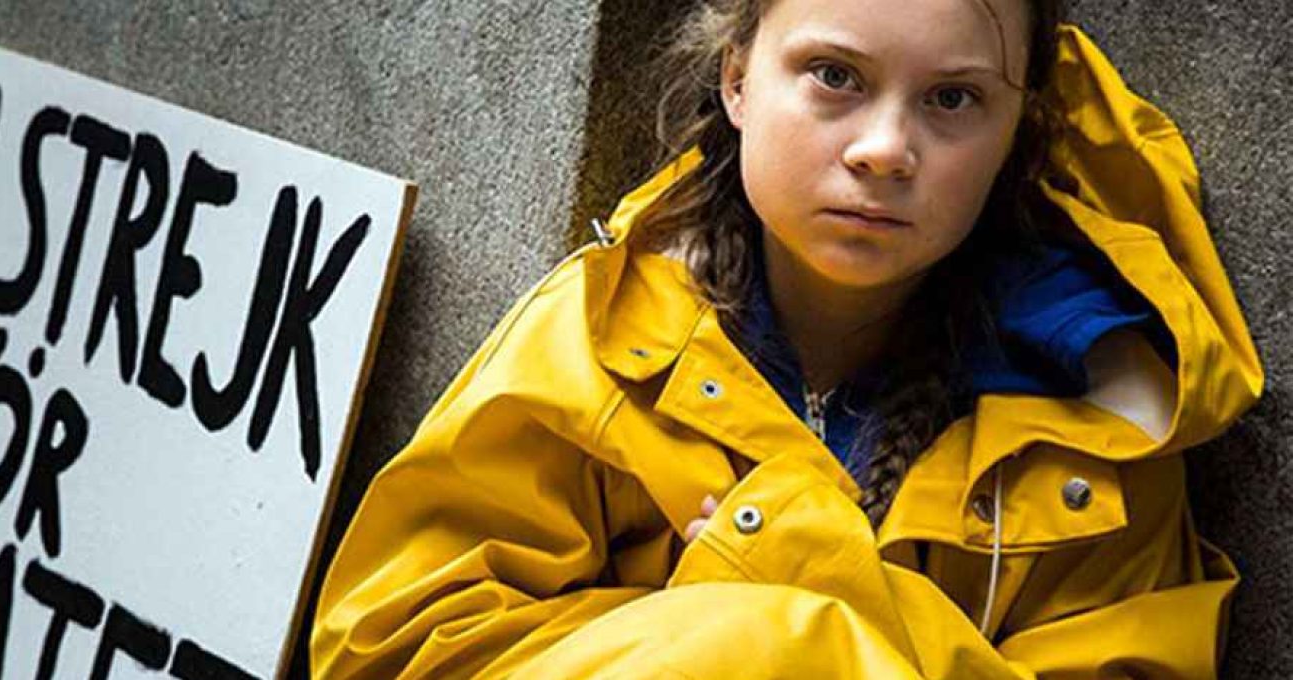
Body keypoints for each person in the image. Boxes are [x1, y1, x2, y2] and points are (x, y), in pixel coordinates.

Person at [311, 0, 1264, 676]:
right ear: (738, 79)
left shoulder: (1100, 423)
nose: (884, 149)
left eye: (953, 99)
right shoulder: (602, 339)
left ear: (1018, 127)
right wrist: (758, 636)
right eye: (835, 77)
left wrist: (796, 580)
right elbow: (386, 648)